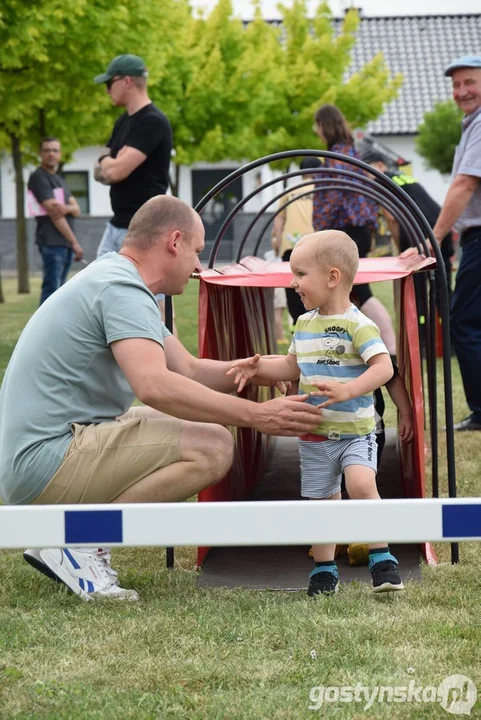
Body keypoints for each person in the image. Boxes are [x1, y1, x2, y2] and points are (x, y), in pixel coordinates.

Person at [0, 195, 323, 602]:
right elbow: (154, 386)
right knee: (212, 445)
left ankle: (68, 537)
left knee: (206, 432)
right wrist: (258, 416)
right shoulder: (121, 289)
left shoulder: (119, 279)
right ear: (174, 242)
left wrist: (253, 371)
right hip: (43, 463)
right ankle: (77, 544)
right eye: (197, 252)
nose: (199, 267)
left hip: (44, 452)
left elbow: (186, 370)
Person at [227, 230, 405, 596]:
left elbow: (384, 368)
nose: (293, 284)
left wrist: (351, 389)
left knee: (360, 485)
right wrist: (257, 369)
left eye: (300, 274)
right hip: (315, 435)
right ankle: (324, 571)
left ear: (333, 277)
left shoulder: (359, 325)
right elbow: (292, 367)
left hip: (356, 431)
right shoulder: (304, 324)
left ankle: (382, 560)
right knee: (322, 502)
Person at [92, 53, 176, 332]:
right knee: (99, 294)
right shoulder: (122, 123)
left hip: (145, 230)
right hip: (116, 226)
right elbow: (100, 166)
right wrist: (111, 162)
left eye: (109, 83)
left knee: (154, 309)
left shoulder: (152, 121)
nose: (106, 90)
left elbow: (114, 171)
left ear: (126, 81)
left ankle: (169, 371)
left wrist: (111, 164)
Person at [312, 105, 397, 357]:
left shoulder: (337, 157)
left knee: (360, 290)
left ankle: (389, 347)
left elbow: (334, 195)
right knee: (354, 290)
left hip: (347, 230)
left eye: (317, 126)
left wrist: (319, 227)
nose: (317, 132)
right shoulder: (351, 153)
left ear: (324, 126)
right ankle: (369, 345)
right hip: (358, 230)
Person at [431, 56, 481, 432]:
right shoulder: (471, 125)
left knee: (463, 321)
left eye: (470, 82)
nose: (461, 91)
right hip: (473, 236)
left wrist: (434, 236)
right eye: (456, 85)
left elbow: (464, 185)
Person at [361, 149, 454, 301]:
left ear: (379, 165)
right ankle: (445, 319)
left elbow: (391, 217)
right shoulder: (401, 176)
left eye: (366, 170)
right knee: (442, 282)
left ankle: (422, 321)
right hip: (441, 224)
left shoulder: (379, 180)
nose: (365, 176)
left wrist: (401, 250)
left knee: (417, 286)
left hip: (418, 230)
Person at [27, 137, 83, 304]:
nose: (51, 154)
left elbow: (77, 209)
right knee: (51, 290)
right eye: (47, 150)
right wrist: (74, 243)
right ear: (40, 153)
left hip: (64, 242)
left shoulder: (59, 179)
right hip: (51, 242)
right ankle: (42, 330)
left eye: (55, 150)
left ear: (60, 154)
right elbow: (54, 213)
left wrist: (67, 208)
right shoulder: (39, 177)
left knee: (60, 291)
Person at [272, 157, 323, 326]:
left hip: (290, 247)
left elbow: (278, 221)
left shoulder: (290, 190)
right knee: (315, 286)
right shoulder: (323, 188)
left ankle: (297, 327)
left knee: (293, 289)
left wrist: (278, 244)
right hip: (315, 245)